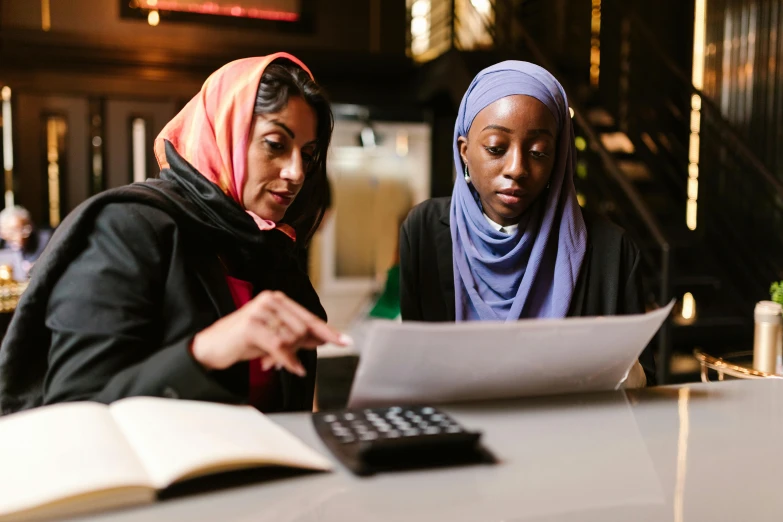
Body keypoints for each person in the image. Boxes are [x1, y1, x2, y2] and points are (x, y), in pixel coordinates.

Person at [0, 53, 351, 415]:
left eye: (307, 155)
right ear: (223, 134)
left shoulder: (269, 251)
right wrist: (206, 350)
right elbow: (73, 407)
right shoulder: (127, 229)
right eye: (276, 144)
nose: (296, 172)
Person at [399, 61, 654, 386]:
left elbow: (644, 386)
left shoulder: (610, 250)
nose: (517, 168)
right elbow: (414, 367)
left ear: (558, 157)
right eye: (496, 148)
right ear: (464, 151)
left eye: (538, 152)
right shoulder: (423, 231)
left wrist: (621, 368)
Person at [0, 206, 51, 281]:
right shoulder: (2, 244)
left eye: (24, 229)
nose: (19, 236)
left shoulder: (44, 240)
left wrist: (37, 267)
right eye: (12, 231)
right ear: (2, 232)